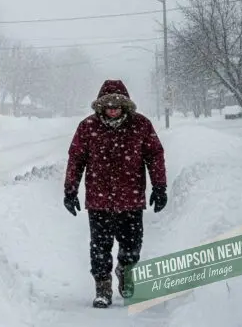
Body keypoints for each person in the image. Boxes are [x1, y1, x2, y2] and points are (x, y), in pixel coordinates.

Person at [62, 79, 167, 308]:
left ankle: (125, 272)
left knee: (132, 245)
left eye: (117, 105)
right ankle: (103, 288)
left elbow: (155, 155)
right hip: (99, 201)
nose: (112, 109)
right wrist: (70, 190)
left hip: (131, 199)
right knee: (100, 247)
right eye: (108, 105)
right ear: (100, 107)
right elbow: (76, 159)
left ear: (125, 106)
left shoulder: (141, 125)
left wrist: (160, 187)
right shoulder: (88, 127)